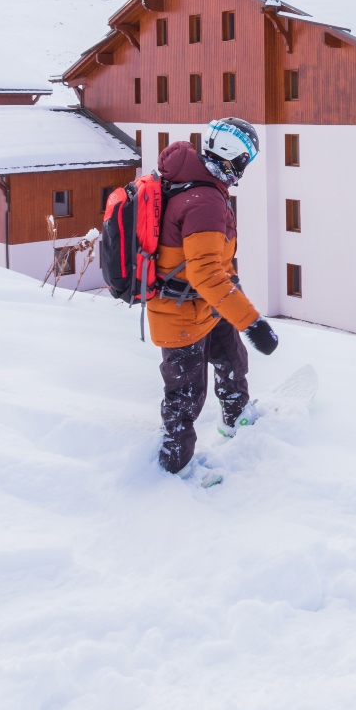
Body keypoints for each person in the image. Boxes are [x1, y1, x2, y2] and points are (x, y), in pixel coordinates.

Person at [148, 119, 279, 475]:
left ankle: (236, 417)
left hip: (203, 305)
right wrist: (252, 323)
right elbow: (205, 272)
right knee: (185, 399)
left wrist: (237, 303)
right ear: (232, 157)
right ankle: (175, 470)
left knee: (232, 360)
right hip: (180, 314)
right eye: (245, 160)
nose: (244, 169)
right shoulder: (203, 200)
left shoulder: (200, 185)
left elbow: (217, 264)